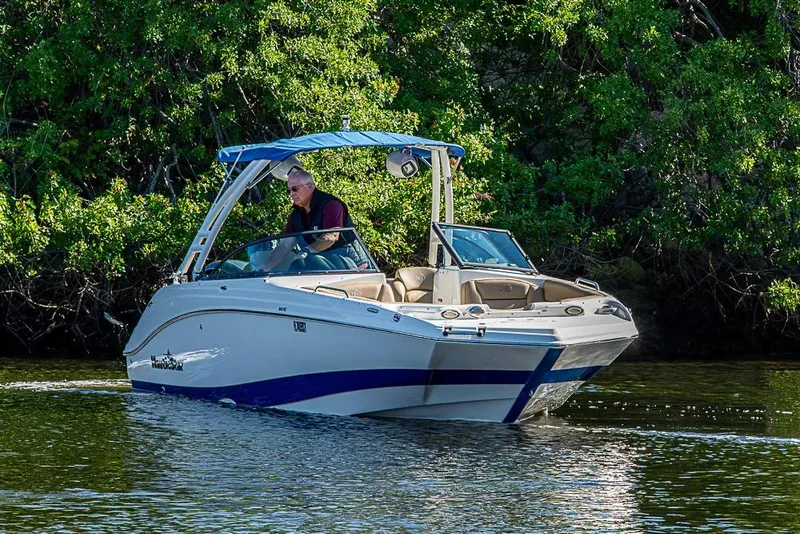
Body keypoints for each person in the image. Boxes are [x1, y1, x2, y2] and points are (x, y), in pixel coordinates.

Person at [255, 168, 367, 272]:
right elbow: (285, 246)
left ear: (309, 186)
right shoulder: (295, 215)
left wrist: (306, 251)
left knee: (304, 263)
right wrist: (267, 266)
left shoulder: (331, 205)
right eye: (289, 190)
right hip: (320, 265)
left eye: (295, 189)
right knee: (297, 266)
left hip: (352, 264)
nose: (291, 194)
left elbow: (331, 236)